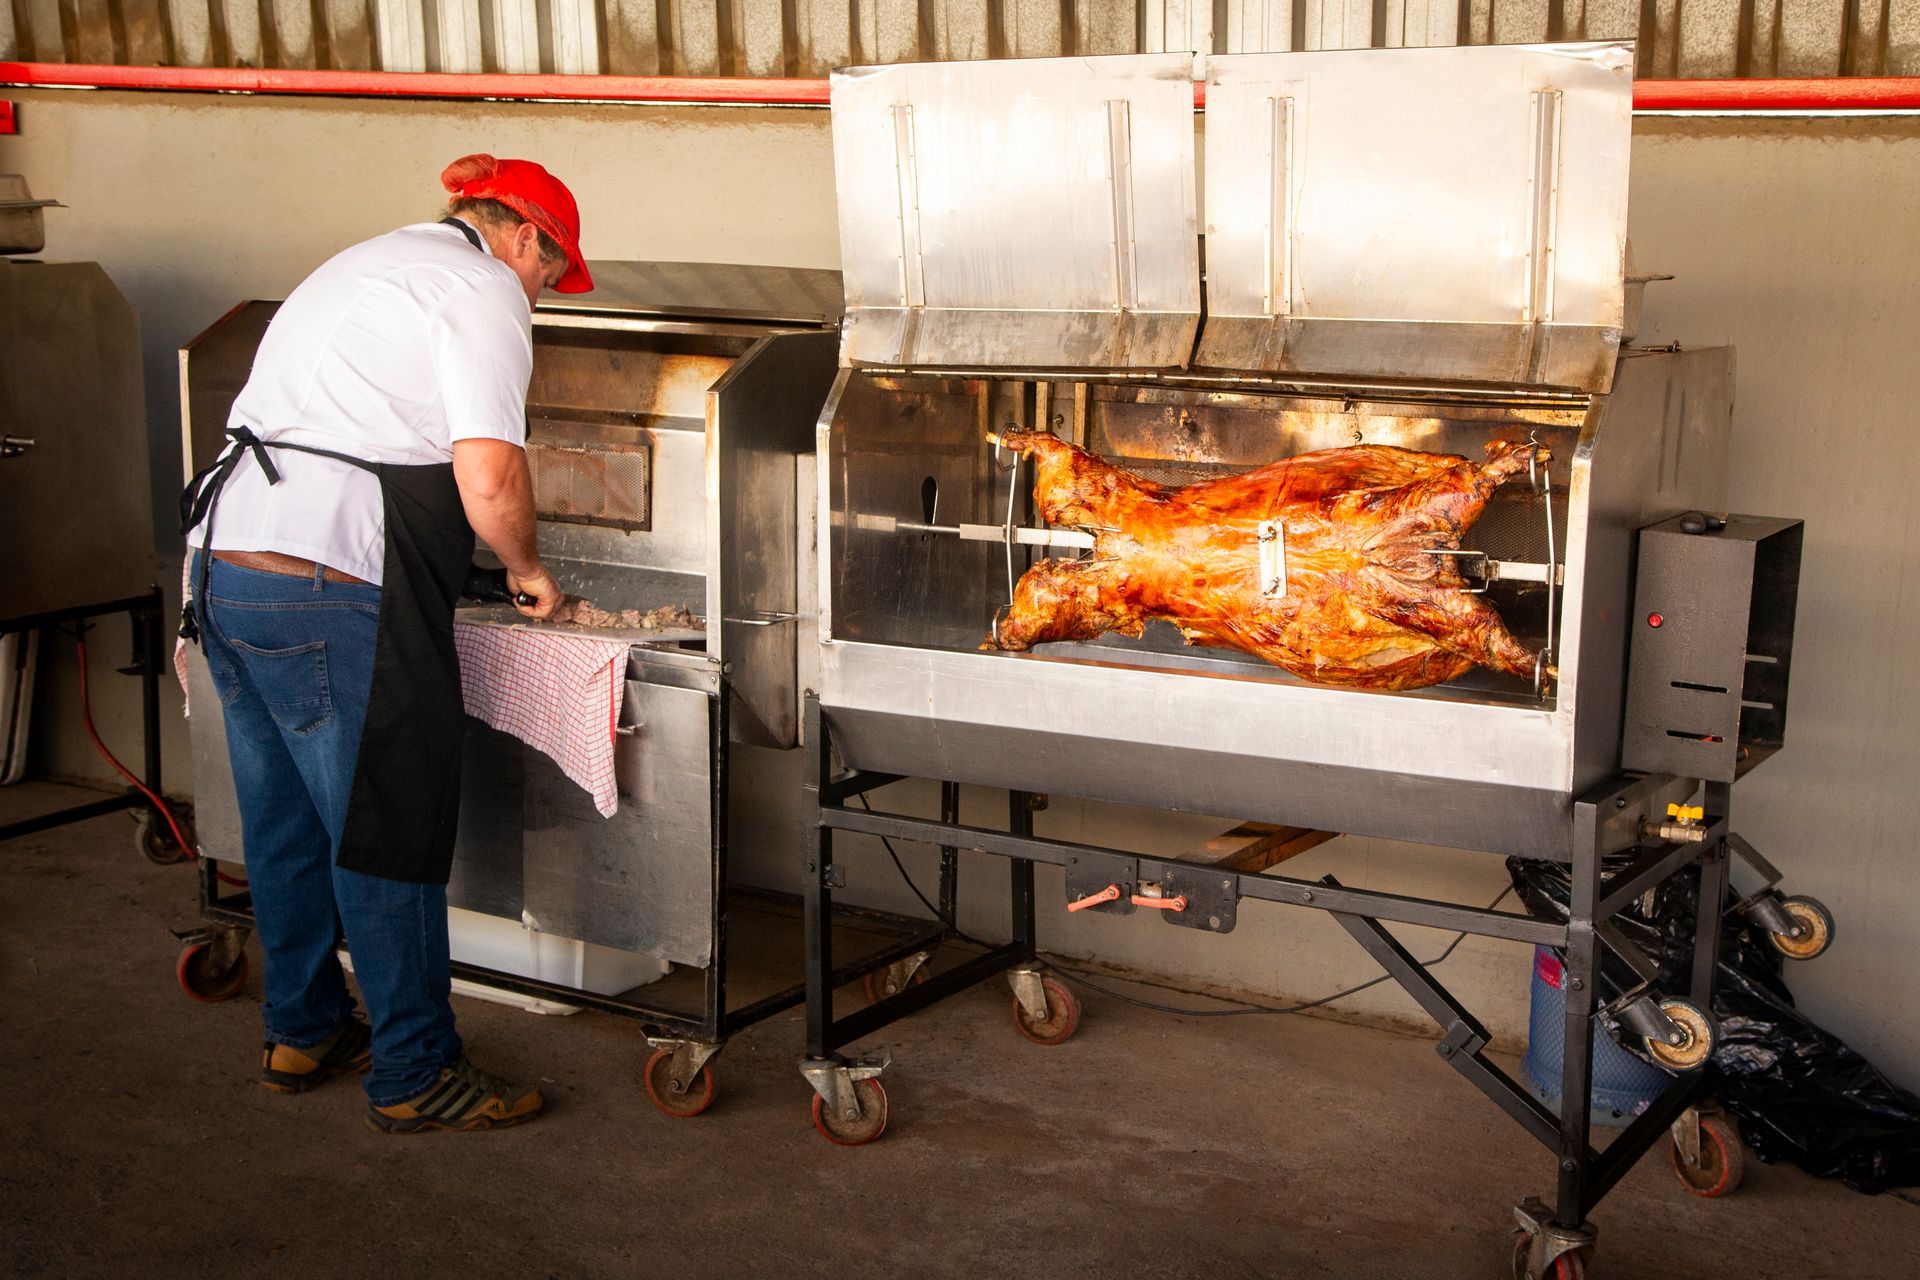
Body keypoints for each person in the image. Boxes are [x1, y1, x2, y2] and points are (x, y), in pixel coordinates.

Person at [180, 154, 589, 1133]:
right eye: (552, 270)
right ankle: (414, 1067)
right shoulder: (483, 284)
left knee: (286, 820)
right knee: (385, 822)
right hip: (326, 580)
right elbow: (487, 472)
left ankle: (304, 1025)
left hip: (225, 567)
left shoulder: (373, 260)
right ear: (524, 235)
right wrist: (529, 570)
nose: (542, 291)